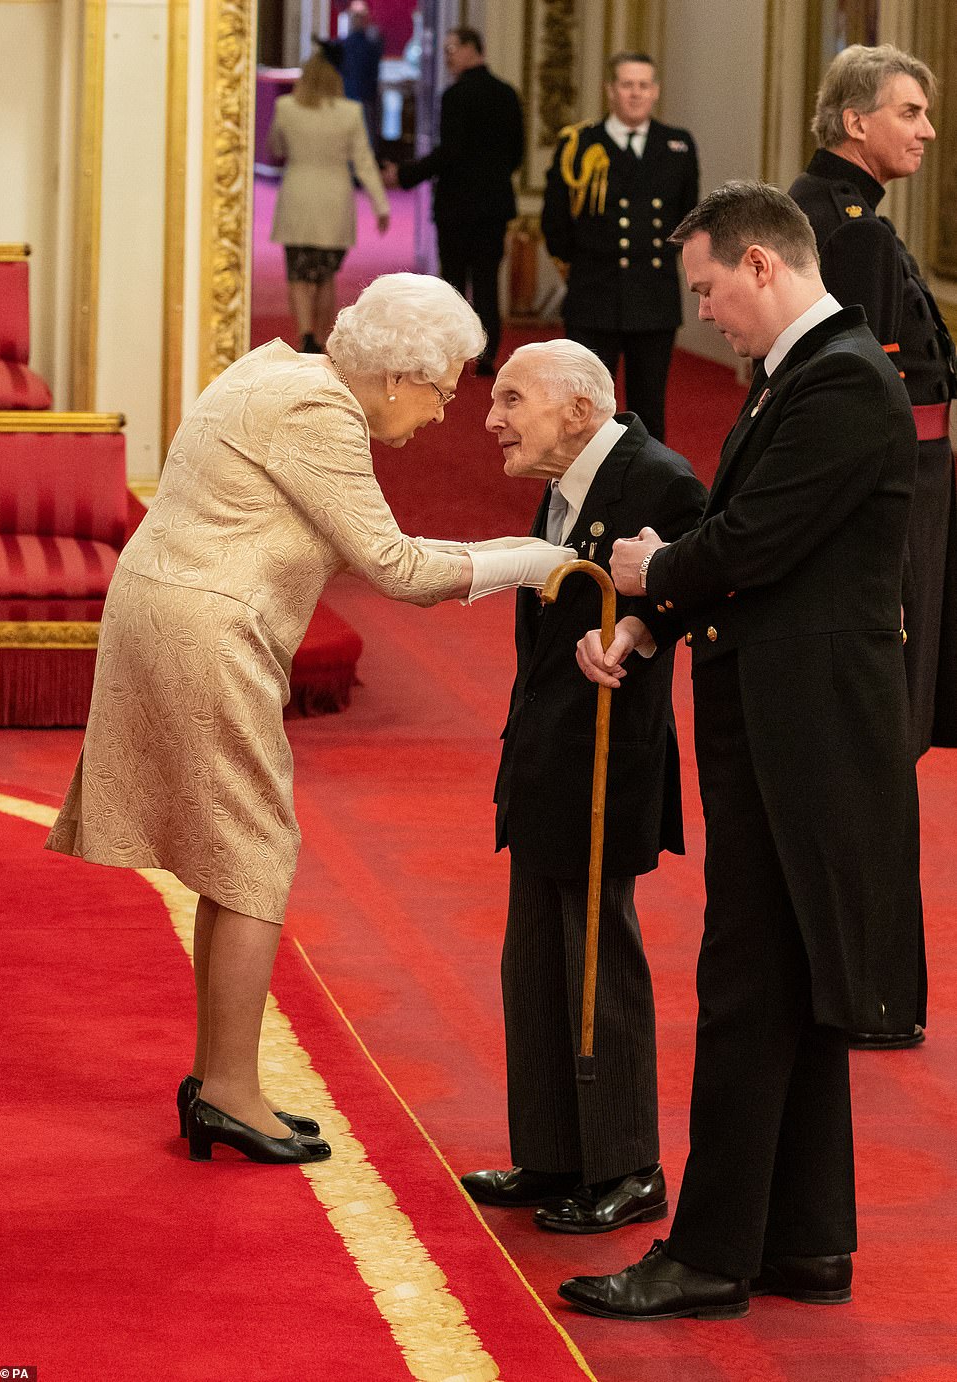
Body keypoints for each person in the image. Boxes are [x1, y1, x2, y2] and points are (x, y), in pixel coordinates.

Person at [45, 274, 573, 1167]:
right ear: (400, 377)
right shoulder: (321, 414)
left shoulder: (275, 369)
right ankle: (228, 1089)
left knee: (230, 850)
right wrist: (527, 559)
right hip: (208, 628)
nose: (445, 412)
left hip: (166, 610)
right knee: (254, 849)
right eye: (445, 390)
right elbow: (395, 566)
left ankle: (222, 1079)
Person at [565, 182, 920, 1320]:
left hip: (808, 734)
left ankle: (710, 1253)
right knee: (790, 979)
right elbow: (748, 541)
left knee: (745, 983)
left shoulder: (845, 380)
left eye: (708, 288)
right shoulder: (802, 375)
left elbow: (750, 540)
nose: (703, 312)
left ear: (762, 265)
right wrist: (647, 618)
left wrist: (646, 576)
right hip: (790, 723)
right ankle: (807, 1242)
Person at [460, 340, 706, 1232]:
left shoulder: (659, 479)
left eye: (512, 400)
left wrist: (636, 631)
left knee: (601, 958)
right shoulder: (570, 477)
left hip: (609, 756)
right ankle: (552, 1155)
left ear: (578, 409)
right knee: (534, 957)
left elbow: (693, 585)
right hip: (546, 752)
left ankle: (626, 1164)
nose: (492, 418)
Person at [788, 43, 957, 1050]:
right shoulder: (845, 233)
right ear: (854, 121)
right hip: (898, 511)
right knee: (878, 743)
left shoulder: (840, 217)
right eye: (908, 112)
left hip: (907, 498)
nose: (925, 131)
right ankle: (871, 988)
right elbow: (868, 406)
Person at [540, 52, 699, 442]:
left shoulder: (677, 145)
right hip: (594, 295)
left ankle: (649, 493)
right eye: (627, 85)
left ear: (656, 92)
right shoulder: (580, 144)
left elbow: (689, 218)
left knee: (649, 410)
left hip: (654, 298)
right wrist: (579, 266)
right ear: (610, 90)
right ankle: (582, 491)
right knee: (585, 409)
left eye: (644, 85)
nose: (635, 94)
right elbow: (555, 221)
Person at [382, 27, 524, 376]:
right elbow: (517, 154)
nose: (447, 56)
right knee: (488, 281)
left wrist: (404, 175)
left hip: (458, 205)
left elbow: (450, 153)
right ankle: (489, 354)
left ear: (475, 49)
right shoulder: (507, 94)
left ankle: (453, 355)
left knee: (455, 283)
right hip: (493, 205)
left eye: (452, 49)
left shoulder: (456, 95)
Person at [267, 50, 390, 354]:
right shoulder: (350, 112)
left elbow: (275, 146)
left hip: (298, 197)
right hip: (335, 200)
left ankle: (304, 333)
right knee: (324, 276)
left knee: (297, 273)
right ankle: (320, 338)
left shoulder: (286, 107)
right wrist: (381, 204)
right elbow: (363, 161)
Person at [338, 1, 384, 152]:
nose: (358, 19)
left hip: (365, 99)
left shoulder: (372, 42)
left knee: (365, 141)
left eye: (361, 16)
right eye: (355, 16)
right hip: (347, 97)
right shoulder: (344, 45)